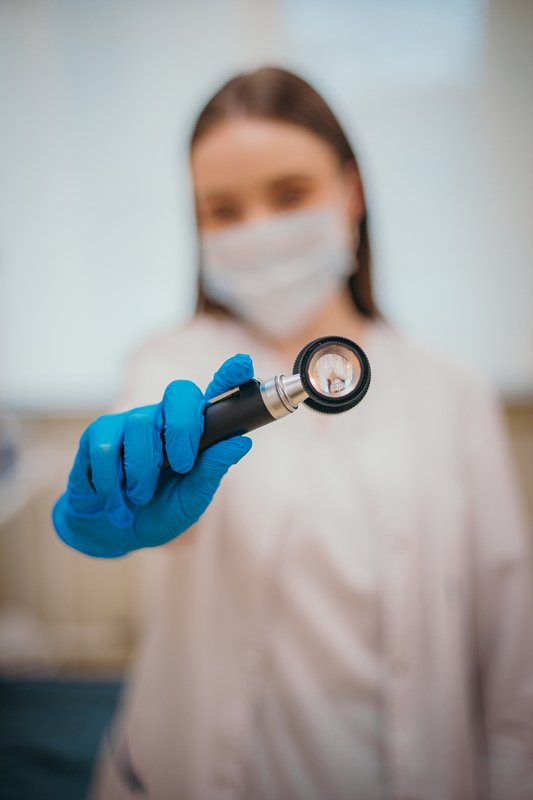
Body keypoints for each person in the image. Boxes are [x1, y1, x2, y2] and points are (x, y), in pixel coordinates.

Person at [52, 68, 533, 800]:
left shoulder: (451, 390)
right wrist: (106, 514)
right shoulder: (167, 364)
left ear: (351, 192)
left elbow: (512, 648)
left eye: (289, 194)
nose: (260, 230)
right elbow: (143, 494)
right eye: (223, 209)